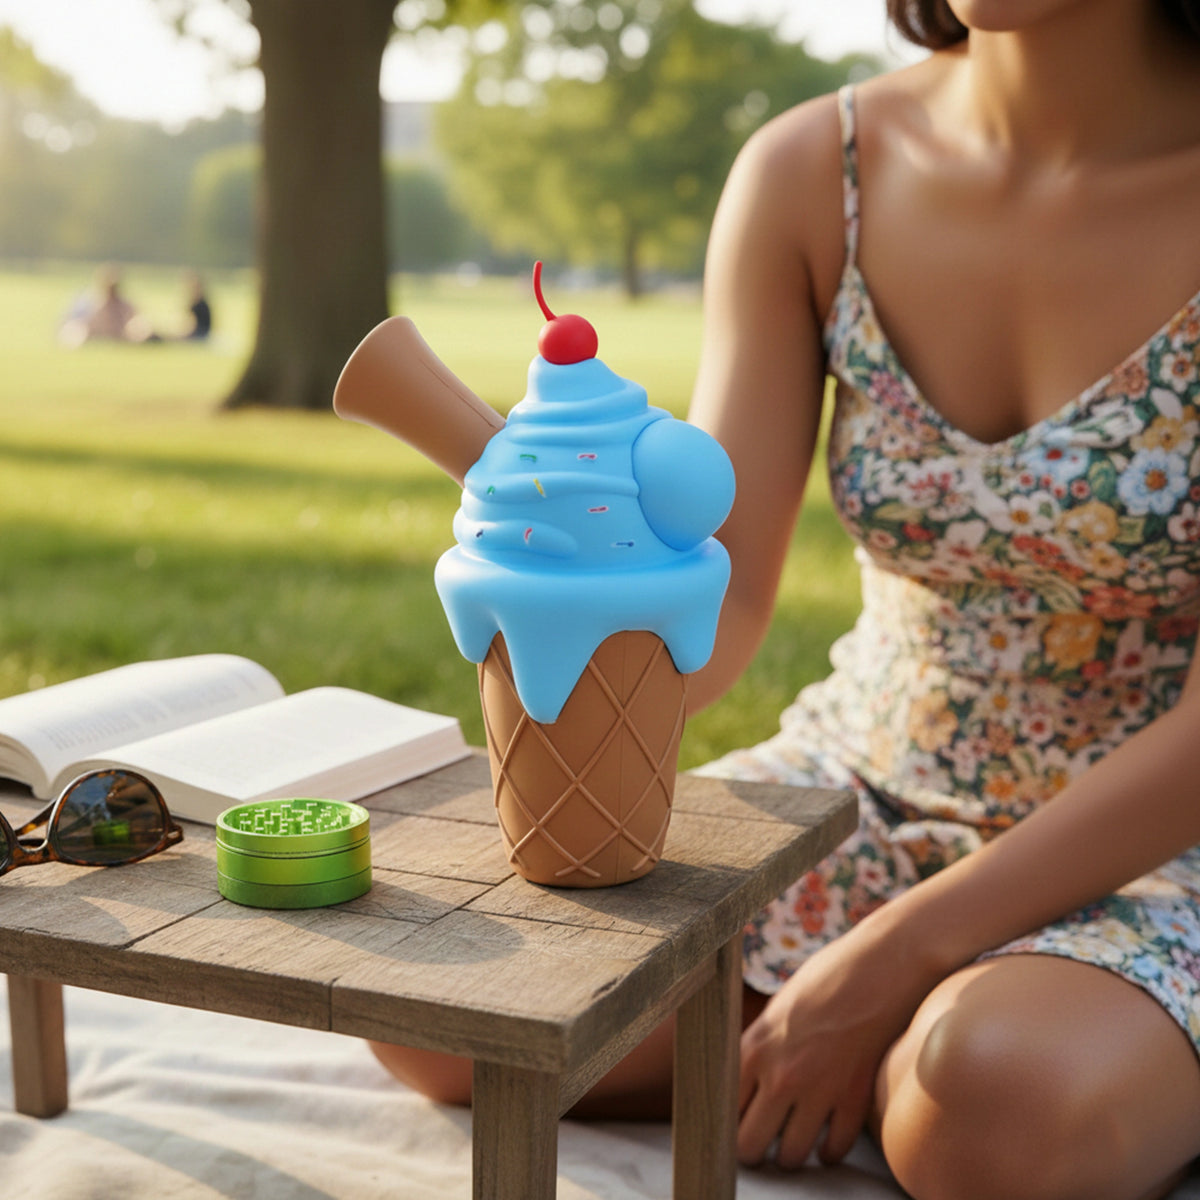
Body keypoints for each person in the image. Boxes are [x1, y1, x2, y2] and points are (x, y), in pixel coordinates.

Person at [370, 3, 1200, 1196]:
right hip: (853, 783)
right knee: (450, 1013)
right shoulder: (819, 171)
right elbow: (717, 590)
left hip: (1154, 841)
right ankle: (913, 1047)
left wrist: (881, 963)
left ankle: (953, 1035)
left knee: (995, 1108)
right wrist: (565, 621)